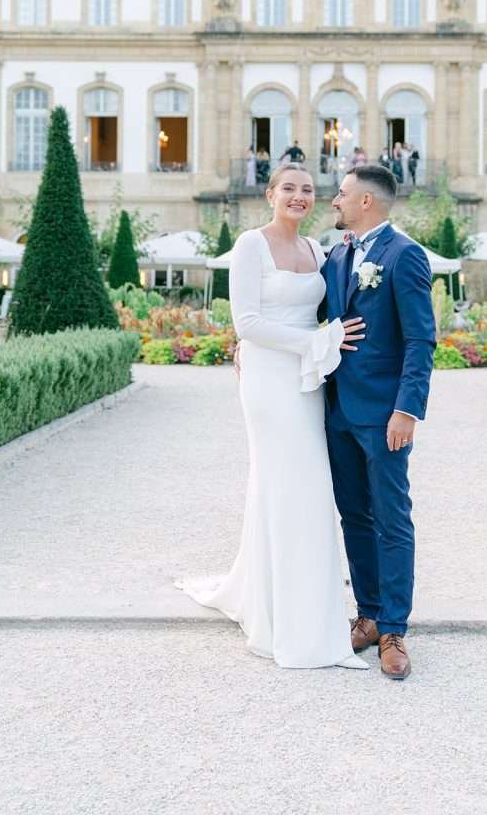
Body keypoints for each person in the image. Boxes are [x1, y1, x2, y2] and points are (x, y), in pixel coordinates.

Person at [174, 163, 369, 670]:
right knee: (286, 482)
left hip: (306, 381)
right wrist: (313, 341)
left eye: (307, 190)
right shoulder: (249, 245)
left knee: (306, 486)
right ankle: (281, 618)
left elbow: (332, 308)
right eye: (289, 188)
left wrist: (324, 341)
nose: (299, 196)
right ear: (270, 194)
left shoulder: (318, 250)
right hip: (267, 377)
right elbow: (248, 322)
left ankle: (300, 603)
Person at [322, 165, 436, 678]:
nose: (334, 202)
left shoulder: (404, 255)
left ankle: (394, 629)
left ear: (366, 201)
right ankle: (367, 614)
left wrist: (407, 409)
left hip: (386, 415)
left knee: (392, 518)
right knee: (354, 517)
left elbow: (420, 339)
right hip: (337, 411)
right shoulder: (337, 253)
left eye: (341, 194)